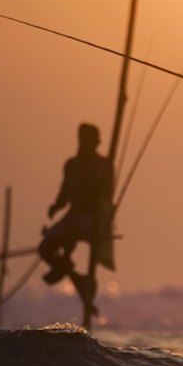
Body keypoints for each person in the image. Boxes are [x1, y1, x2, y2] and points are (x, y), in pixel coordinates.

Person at [39, 123, 113, 302]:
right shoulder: (71, 165)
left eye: (87, 139)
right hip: (72, 216)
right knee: (45, 247)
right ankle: (70, 272)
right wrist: (56, 206)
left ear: (96, 142)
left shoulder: (103, 166)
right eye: (81, 139)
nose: (83, 143)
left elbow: (106, 196)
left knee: (69, 235)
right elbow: (64, 193)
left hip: (91, 219)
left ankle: (66, 267)